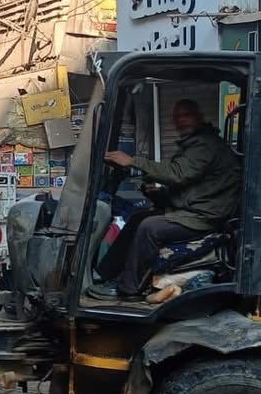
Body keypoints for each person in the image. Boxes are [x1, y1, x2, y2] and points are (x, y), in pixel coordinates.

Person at [93, 98, 242, 300]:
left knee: (149, 227)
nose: (180, 121)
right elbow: (189, 189)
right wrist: (156, 193)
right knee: (138, 218)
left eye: (186, 115)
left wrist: (133, 161)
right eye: (177, 117)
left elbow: (177, 174)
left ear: (199, 117)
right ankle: (104, 275)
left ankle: (129, 289)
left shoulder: (205, 145)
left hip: (202, 217)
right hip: (194, 211)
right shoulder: (194, 145)